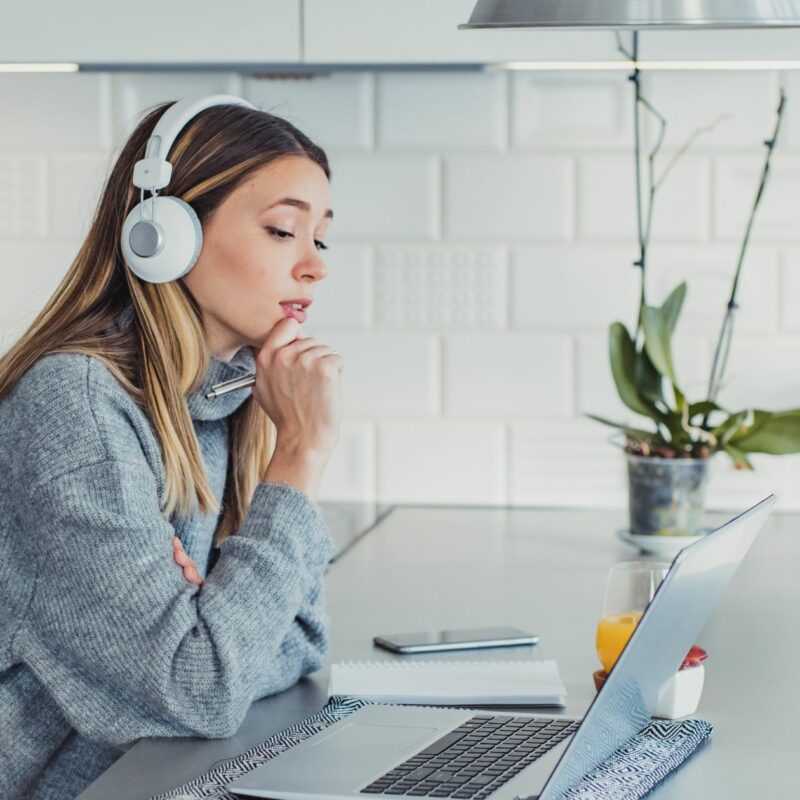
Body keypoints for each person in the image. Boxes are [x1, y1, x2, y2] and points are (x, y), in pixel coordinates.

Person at [0, 96, 342, 799]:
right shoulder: (78, 406)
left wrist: (215, 626)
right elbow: (202, 688)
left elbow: (303, 636)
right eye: (283, 231)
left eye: (321, 239)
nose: (315, 267)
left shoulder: (219, 399)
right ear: (164, 232)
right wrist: (300, 455)